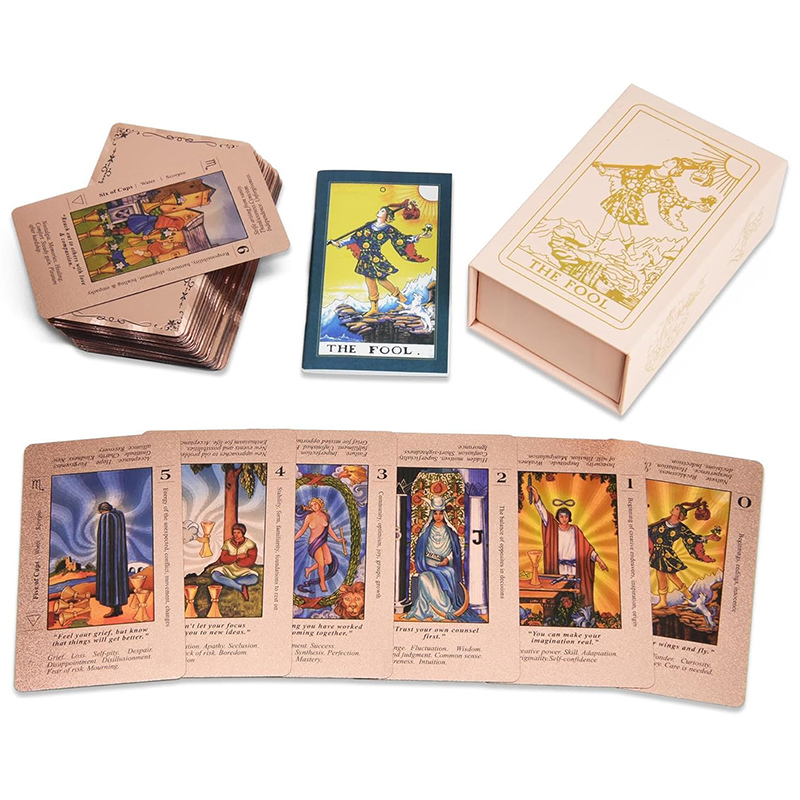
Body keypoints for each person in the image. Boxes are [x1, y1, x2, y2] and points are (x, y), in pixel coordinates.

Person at [585, 157, 716, 257]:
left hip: (631, 202)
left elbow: (675, 197)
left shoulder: (666, 182)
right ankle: (630, 252)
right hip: (621, 196)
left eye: (672, 162)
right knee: (621, 223)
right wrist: (602, 170)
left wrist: (694, 204)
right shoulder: (646, 169)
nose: (669, 160)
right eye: (671, 160)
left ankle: (597, 246)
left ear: (674, 169)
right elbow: (623, 172)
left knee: (612, 220)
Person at [328, 200, 433, 317]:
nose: (380, 211)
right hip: (365, 257)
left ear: (387, 216)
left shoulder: (388, 229)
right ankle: (378, 306)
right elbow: (354, 238)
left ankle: (397, 299)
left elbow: (402, 239)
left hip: (376, 257)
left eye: (383, 211)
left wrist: (420, 236)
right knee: (371, 280)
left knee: (381, 280)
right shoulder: (368, 226)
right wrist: (339, 244)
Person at [405, 496, 483, 622]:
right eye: (435, 513)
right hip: (428, 565)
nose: (438, 516)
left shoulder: (450, 531)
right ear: (432, 514)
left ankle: (448, 606)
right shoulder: (426, 531)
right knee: (425, 577)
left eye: (440, 513)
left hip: (445, 565)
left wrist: (447, 559)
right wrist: (427, 562)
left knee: (449, 572)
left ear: (444, 514)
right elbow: (420, 550)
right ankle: (439, 608)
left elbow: (454, 551)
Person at [529, 486, 608, 612]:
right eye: (561, 516)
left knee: (574, 596)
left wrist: (600, 561)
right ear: (558, 517)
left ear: (569, 517)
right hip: (558, 569)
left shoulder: (575, 530)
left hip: (574, 569)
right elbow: (543, 514)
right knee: (559, 596)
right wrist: (536, 497)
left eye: (566, 516)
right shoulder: (553, 529)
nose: (564, 519)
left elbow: (587, 549)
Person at [649, 502, 720, 610]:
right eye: (675, 507)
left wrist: (707, 538)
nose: (673, 508)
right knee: (661, 576)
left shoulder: (681, 528)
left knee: (671, 575)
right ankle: (664, 601)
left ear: (680, 514)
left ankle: (687, 595)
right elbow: (650, 532)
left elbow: (693, 537)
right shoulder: (662, 522)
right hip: (657, 553)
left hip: (667, 554)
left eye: (677, 509)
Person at [295, 497, 345, 594]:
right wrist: (294, 539)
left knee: (329, 560)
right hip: (314, 543)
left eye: (315, 504)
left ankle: (309, 569)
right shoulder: (309, 517)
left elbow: (329, 530)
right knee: (321, 564)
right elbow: (302, 530)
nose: (314, 506)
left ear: (320, 504)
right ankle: (322, 583)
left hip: (323, 541)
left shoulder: (325, 516)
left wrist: (337, 539)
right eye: (312, 505)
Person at [95, 502, 129, 618]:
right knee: (118, 579)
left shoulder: (107, 518)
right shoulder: (118, 515)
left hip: (110, 557)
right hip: (118, 557)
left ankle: (114, 609)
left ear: (103, 510)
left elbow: (106, 539)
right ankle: (118, 608)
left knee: (111, 579)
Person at [210, 523, 259, 602]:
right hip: (228, 569)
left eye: (238, 532)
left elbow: (251, 560)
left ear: (243, 532)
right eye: (234, 532)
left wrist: (237, 561)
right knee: (215, 575)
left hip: (243, 571)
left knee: (254, 579)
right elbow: (223, 558)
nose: (236, 535)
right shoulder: (227, 543)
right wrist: (237, 557)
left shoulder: (250, 544)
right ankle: (240, 587)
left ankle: (228, 582)